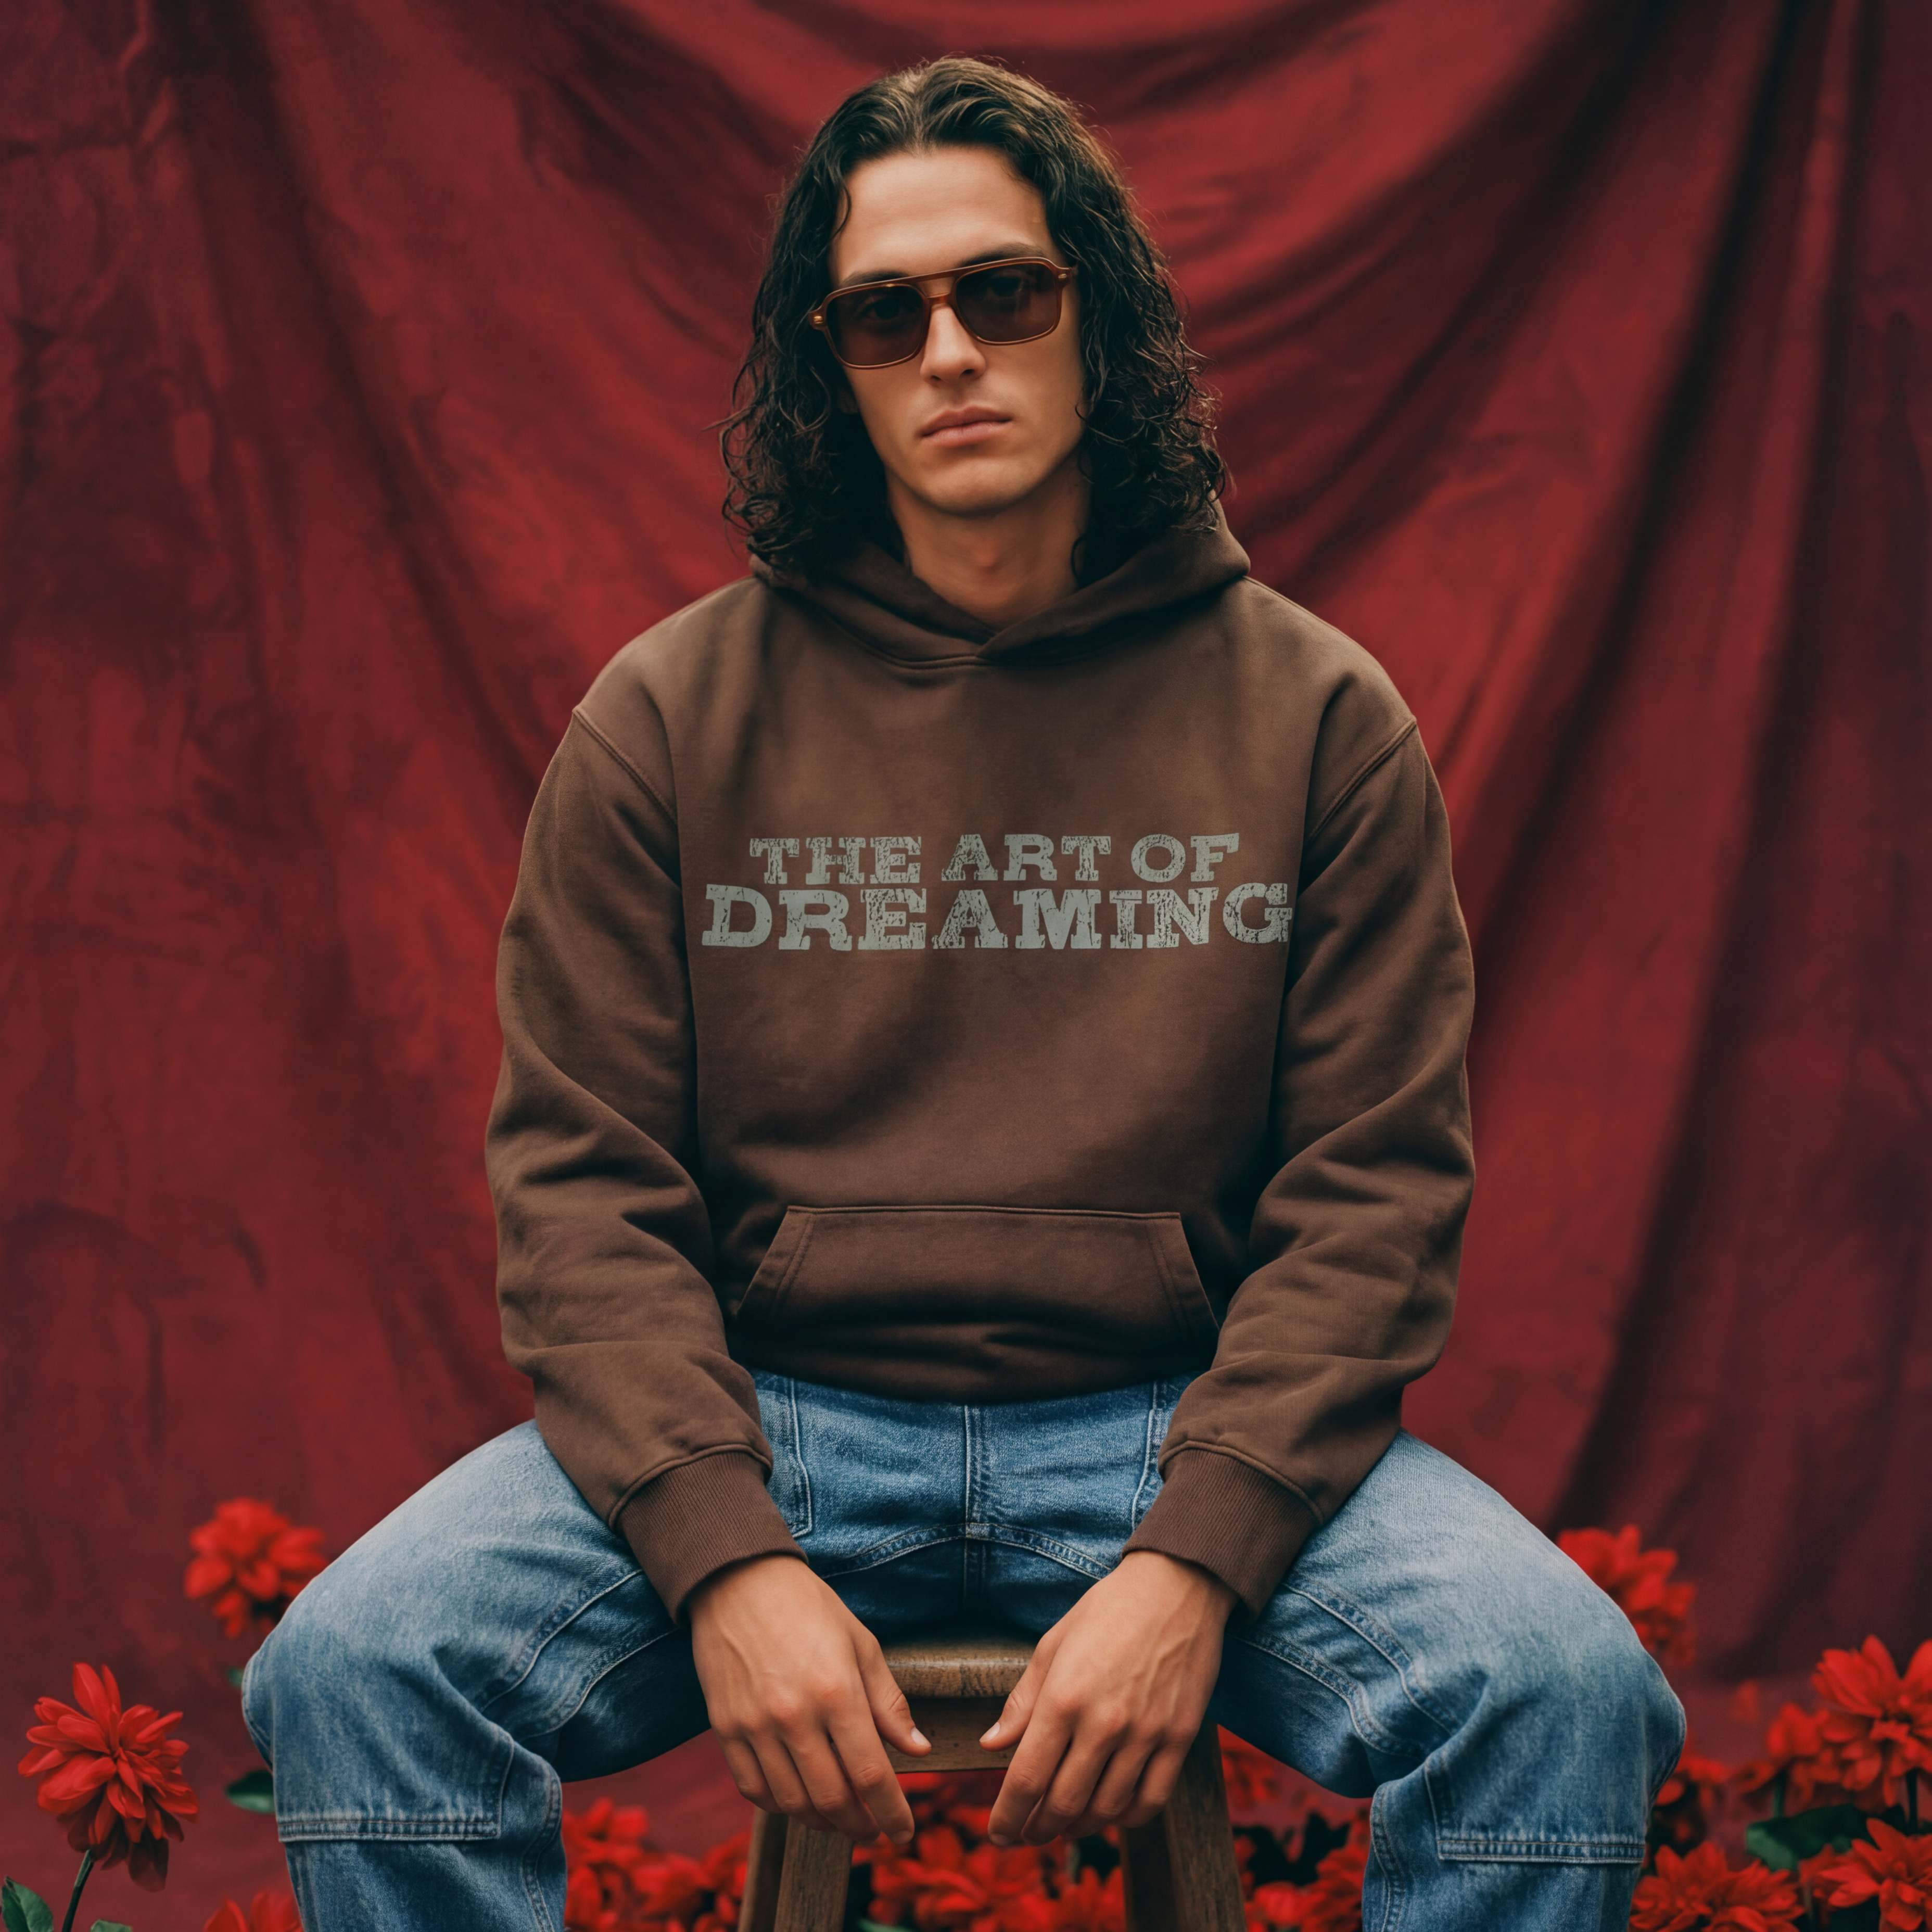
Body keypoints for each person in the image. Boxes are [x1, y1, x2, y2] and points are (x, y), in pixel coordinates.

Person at [245, 56, 1683, 1930]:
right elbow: (581, 1192)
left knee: (1558, 1695)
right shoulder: (669, 722)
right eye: (882, 312)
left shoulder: (1317, 719)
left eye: (1003, 292)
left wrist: (1197, 1563)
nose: (949, 352)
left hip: (1173, 1411)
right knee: (359, 1670)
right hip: (778, 1413)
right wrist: (724, 1557)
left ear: (1099, 318)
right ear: (828, 363)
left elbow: (1374, 1198)